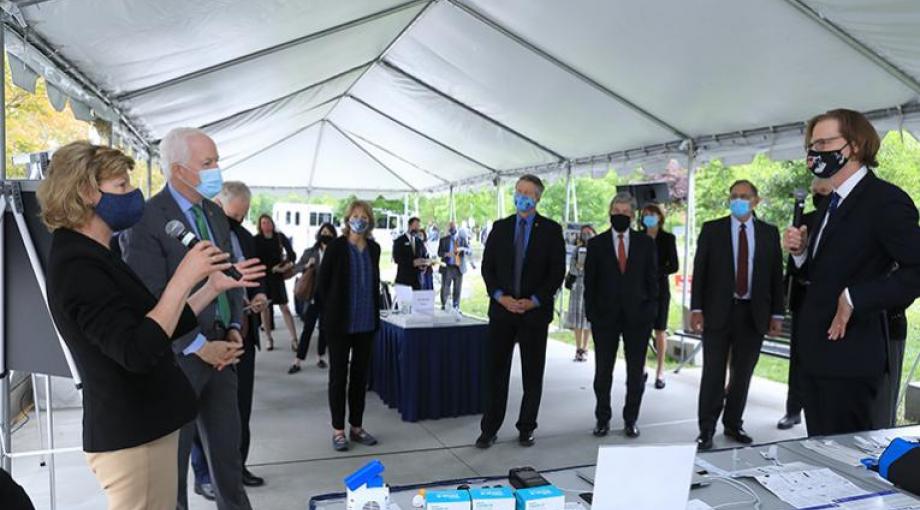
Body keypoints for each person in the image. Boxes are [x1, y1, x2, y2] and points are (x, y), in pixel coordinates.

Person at [41, 142, 261, 510]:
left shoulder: (97, 253)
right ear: (86, 193)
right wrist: (183, 278)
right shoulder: (77, 266)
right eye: (122, 186)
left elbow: (157, 323)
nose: (133, 194)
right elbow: (136, 350)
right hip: (132, 436)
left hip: (147, 426)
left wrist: (210, 288)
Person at [121, 127, 256, 510]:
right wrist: (197, 345)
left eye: (217, 161)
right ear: (179, 170)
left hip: (223, 355)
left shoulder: (213, 212)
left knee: (228, 461)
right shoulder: (146, 219)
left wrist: (233, 327)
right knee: (173, 471)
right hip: (178, 361)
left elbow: (227, 275)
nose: (217, 170)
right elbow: (148, 296)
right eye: (208, 163)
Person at [784, 108, 920, 436]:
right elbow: (823, 274)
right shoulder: (832, 204)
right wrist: (801, 254)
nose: (815, 152)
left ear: (855, 145)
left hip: (850, 360)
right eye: (811, 145)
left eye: (825, 142)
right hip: (816, 357)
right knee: (819, 457)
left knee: (843, 464)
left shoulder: (885, 201)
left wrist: (856, 298)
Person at [691, 179, 784, 451]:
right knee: (713, 372)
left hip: (753, 313)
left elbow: (775, 277)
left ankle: (733, 423)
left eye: (744, 196)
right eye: (733, 196)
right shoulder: (712, 230)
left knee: (743, 373)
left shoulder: (768, 233)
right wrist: (697, 309)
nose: (738, 200)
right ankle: (706, 429)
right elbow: (700, 272)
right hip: (718, 312)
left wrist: (777, 313)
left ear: (756, 201)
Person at [476, 174, 565, 449]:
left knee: (532, 374)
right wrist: (501, 298)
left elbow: (556, 272)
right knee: (496, 373)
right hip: (502, 312)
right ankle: (489, 429)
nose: (521, 196)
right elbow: (487, 268)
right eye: (518, 191)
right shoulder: (500, 227)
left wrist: (535, 300)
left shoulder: (550, 230)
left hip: (534, 314)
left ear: (537, 198)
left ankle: (527, 427)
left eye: (528, 192)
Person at [584, 193, 659, 439]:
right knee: (603, 372)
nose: (621, 215)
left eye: (626, 212)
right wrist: (593, 314)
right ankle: (602, 419)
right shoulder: (596, 245)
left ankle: (631, 419)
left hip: (638, 318)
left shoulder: (645, 244)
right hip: (605, 318)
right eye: (617, 210)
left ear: (633, 216)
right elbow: (590, 284)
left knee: (635, 373)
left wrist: (649, 312)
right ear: (610, 212)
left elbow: (652, 281)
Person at [210, 181, 268, 488]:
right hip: (211, 336)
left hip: (244, 332)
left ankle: (238, 467)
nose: (239, 221)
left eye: (244, 215)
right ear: (218, 206)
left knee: (241, 405)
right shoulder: (202, 240)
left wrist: (259, 296)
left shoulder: (246, 237)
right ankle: (206, 473)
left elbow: (258, 277)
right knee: (206, 409)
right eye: (235, 215)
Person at [316, 200, 381, 452]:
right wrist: (328, 313)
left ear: (370, 221)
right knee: (338, 377)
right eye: (355, 215)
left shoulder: (374, 249)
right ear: (347, 219)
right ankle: (338, 430)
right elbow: (322, 284)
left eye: (364, 216)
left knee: (359, 378)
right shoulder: (336, 247)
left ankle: (356, 426)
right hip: (339, 324)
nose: (360, 219)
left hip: (365, 323)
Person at [777, 178, 832, 430]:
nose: (818, 196)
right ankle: (793, 409)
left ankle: (819, 406)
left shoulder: (840, 222)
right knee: (798, 357)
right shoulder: (803, 222)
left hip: (832, 304)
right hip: (803, 299)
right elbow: (793, 264)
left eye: (824, 192)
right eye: (814, 192)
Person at [289, 222, 337, 373]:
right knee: (308, 328)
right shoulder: (310, 251)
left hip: (329, 295)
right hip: (313, 295)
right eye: (324, 232)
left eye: (329, 233)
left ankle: (320, 356)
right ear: (319, 234)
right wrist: (306, 266)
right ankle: (298, 361)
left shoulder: (336, 252)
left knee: (324, 328)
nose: (326, 235)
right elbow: (296, 268)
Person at [641, 203, 679, 389]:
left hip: (660, 289)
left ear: (659, 217)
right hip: (640, 290)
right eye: (645, 214)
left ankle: (660, 371)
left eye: (651, 214)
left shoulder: (667, 238)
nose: (648, 217)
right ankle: (641, 368)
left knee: (660, 330)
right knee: (641, 329)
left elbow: (674, 265)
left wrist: (655, 271)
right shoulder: (638, 237)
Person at [254, 214, 298, 350]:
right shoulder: (256, 240)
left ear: (272, 223)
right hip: (263, 277)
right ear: (260, 226)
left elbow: (292, 254)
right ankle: (268, 338)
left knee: (285, 308)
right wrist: (269, 268)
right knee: (265, 309)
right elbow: (255, 259)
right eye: (263, 223)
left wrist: (285, 266)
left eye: (268, 222)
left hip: (277, 277)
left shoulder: (279, 237)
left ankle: (294, 339)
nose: (266, 225)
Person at [565, 225, 596, 362]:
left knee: (588, 318)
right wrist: (579, 267)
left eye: (589, 233)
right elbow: (572, 268)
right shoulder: (577, 250)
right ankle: (578, 348)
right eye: (584, 233)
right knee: (578, 319)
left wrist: (587, 268)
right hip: (577, 287)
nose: (586, 236)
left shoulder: (597, 250)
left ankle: (586, 347)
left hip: (591, 287)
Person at [438, 221, 471, 310]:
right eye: (450, 227)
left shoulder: (462, 239)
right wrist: (446, 254)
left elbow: (469, 251)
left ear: (456, 227)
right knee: (445, 288)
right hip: (447, 266)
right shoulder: (443, 240)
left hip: (458, 267)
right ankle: (445, 305)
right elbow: (439, 253)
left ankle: (456, 306)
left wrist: (463, 249)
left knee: (457, 289)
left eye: (453, 226)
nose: (452, 228)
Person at [392, 217, 428, 290]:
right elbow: (397, 258)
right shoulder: (399, 241)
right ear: (409, 226)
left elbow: (425, 256)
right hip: (404, 280)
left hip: (418, 281)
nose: (417, 228)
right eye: (415, 226)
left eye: (418, 226)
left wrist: (424, 264)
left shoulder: (419, 242)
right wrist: (412, 262)